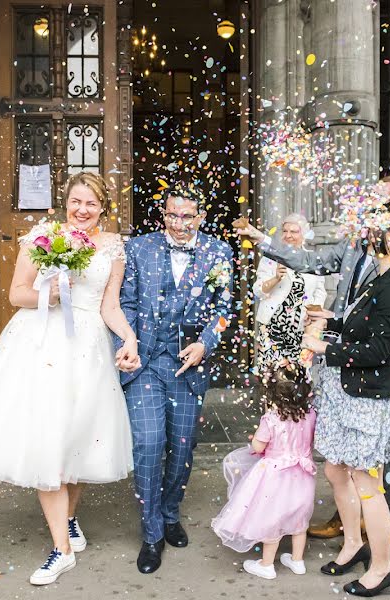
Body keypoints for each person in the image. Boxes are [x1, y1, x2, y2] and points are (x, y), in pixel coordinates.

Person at [0, 172, 138, 586]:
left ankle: (68, 520)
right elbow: (17, 293)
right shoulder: (43, 237)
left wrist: (129, 337)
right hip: (42, 343)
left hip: (87, 347)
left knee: (80, 439)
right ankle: (61, 550)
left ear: (102, 206)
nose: (82, 210)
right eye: (76, 202)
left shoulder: (113, 248)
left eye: (91, 203)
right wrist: (50, 294)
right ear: (65, 203)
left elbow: (110, 305)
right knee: (48, 437)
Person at [237, 203, 390, 547]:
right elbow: (309, 261)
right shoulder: (351, 246)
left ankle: (384, 528)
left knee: (374, 456)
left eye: (372, 222)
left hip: (376, 364)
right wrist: (260, 239)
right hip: (345, 356)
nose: (363, 227)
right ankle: (348, 523)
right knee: (344, 456)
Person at [119, 188, 233, 574]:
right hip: (146, 362)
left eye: (187, 217)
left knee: (182, 450)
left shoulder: (219, 253)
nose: (179, 224)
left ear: (201, 216)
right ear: (162, 215)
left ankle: (170, 513)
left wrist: (206, 343)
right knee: (150, 444)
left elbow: (224, 309)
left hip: (189, 366)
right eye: (172, 216)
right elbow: (127, 303)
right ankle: (151, 532)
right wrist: (128, 343)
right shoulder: (138, 249)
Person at [301, 225, 390, 597]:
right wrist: (328, 321)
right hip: (344, 393)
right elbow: (358, 328)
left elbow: (377, 353)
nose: (373, 234)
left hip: (371, 397)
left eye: (386, 231)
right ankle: (353, 543)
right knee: (335, 469)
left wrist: (321, 348)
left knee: (368, 482)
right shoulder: (375, 278)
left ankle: (383, 568)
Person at [211, 363, 316, 580]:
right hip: (303, 476)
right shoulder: (311, 414)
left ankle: (267, 565)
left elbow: (258, 446)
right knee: (299, 521)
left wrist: (258, 444)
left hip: (275, 477)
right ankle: (298, 561)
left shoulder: (272, 418)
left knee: (272, 520)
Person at [253, 214, 327, 374]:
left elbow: (320, 292)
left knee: (298, 375)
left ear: (304, 234)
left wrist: (314, 317)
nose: (288, 235)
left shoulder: (313, 259)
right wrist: (276, 278)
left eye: (294, 231)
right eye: (285, 231)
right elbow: (258, 290)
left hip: (302, 328)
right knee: (270, 376)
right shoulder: (271, 257)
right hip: (273, 329)